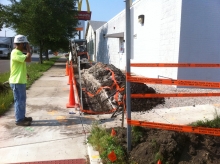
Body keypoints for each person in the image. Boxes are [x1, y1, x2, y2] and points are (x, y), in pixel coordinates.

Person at [9, 34, 32, 126]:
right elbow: (28, 59)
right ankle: (19, 120)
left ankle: (22, 117)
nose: (26, 46)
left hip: (19, 81)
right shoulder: (15, 52)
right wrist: (29, 50)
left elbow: (20, 65)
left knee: (22, 100)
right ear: (22, 44)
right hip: (17, 81)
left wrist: (25, 73)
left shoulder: (18, 53)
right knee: (19, 101)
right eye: (25, 44)